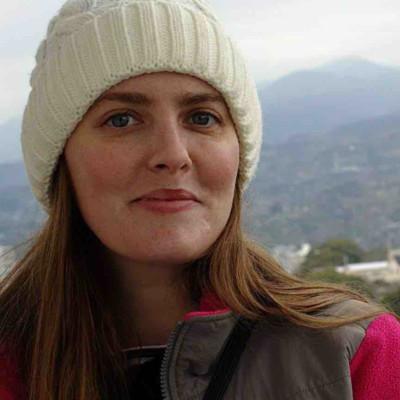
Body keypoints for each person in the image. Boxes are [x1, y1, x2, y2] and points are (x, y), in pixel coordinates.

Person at [1, 0, 399, 399]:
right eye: (121, 119)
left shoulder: (357, 355)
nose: (173, 155)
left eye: (202, 118)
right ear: (60, 160)